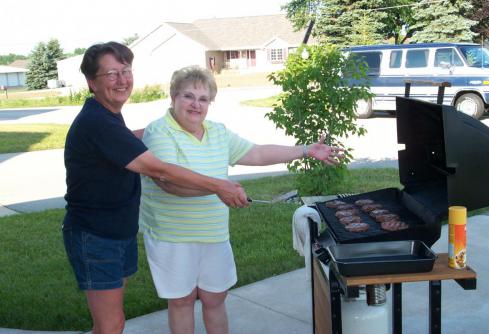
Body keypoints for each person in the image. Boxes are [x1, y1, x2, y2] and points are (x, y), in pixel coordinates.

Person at [139, 65, 344, 334]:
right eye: (188, 96)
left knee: (215, 298)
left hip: (213, 232)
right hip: (172, 235)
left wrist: (306, 150)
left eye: (203, 99)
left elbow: (257, 153)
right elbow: (170, 183)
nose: (195, 105)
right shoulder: (159, 132)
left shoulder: (217, 132)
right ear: (173, 97)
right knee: (181, 301)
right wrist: (220, 188)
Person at [62, 43, 249, 334]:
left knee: (110, 323)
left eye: (125, 71)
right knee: (110, 325)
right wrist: (219, 186)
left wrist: (155, 130)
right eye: (111, 73)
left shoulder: (108, 117)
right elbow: (159, 171)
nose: (122, 80)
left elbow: (124, 141)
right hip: (95, 236)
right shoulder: (98, 122)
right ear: (91, 82)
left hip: (117, 232)